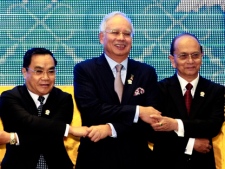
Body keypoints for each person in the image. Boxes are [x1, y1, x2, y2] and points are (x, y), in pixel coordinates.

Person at [73, 11, 161, 169]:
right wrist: (138, 112)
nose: (121, 38)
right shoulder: (84, 70)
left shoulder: (146, 72)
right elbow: (93, 110)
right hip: (95, 159)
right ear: (101, 37)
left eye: (127, 33)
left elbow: (152, 120)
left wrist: (109, 128)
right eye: (115, 32)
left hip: (138, 159)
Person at [0, 48, 88, 169]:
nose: (46, 77)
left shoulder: (64, 99)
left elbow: (52, 136)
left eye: (51, 71)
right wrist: (69, 130)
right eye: (39, 71)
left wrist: (13, 138)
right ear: (25, 72)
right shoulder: (10, 97)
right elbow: (27, 121)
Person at [151, 32, 224, 169]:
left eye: (195, 55)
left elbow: (212, 126)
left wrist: (175, 124)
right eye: (183, 56)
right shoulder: (159, 90)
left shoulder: (216, 91)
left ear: (202, 57)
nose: (190, 61)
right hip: (165, 163)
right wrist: (190, 143)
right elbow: (153, 131)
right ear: (172, 60)